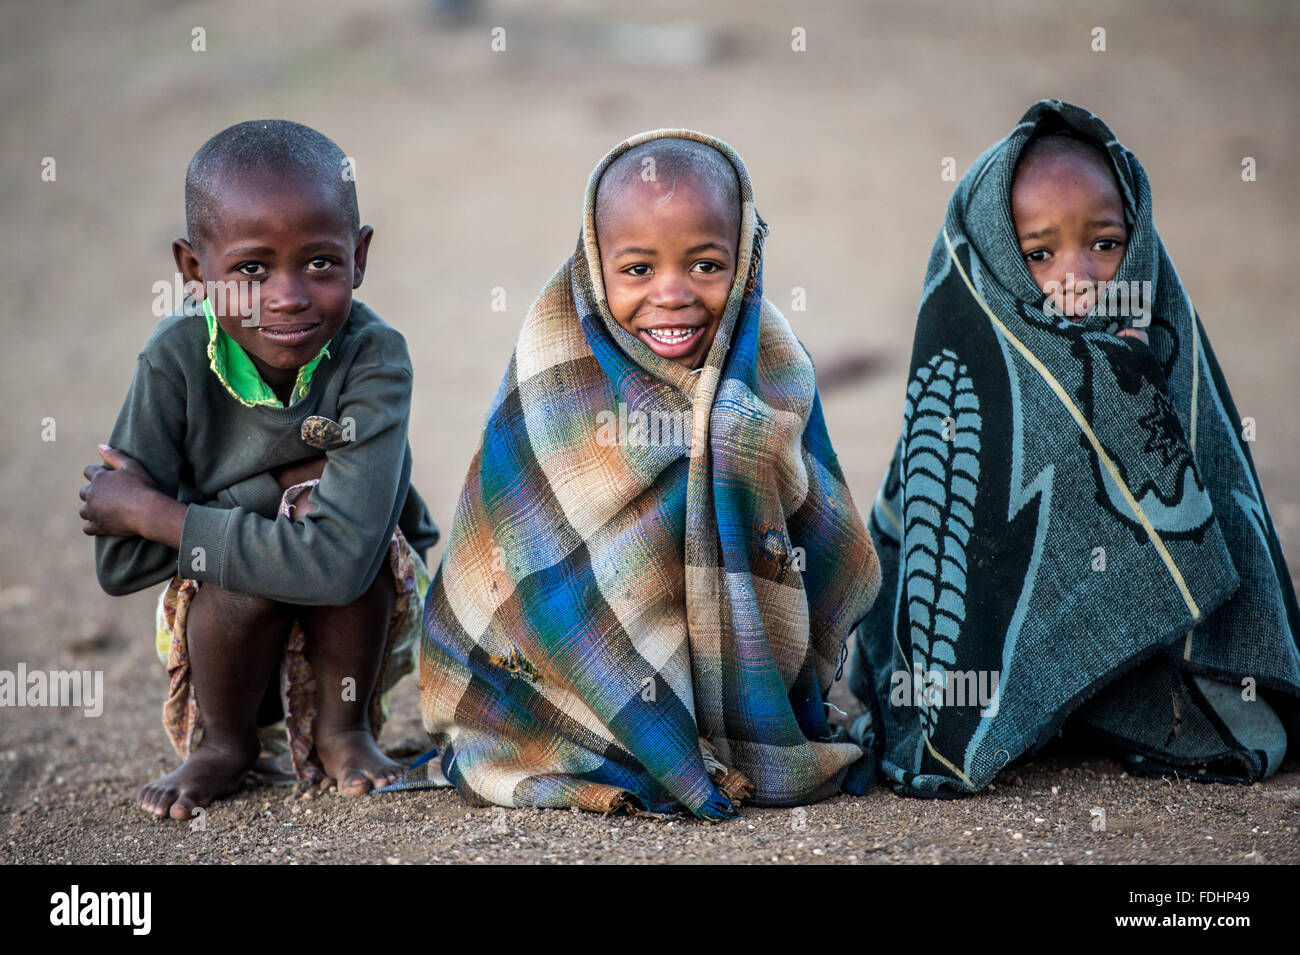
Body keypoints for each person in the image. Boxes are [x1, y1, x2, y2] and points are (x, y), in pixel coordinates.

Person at [404, 130, 880, 819]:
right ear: (595, 265)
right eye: (636, 271)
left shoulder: (773, 363)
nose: (672, 295)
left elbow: (811, 527)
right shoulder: (557, 357)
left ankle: (736, 722)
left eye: (707, 265)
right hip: (562, 675)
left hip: (735, 656)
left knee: (735, 432)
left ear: (744, 255)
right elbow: (522, 549)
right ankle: (633, 739)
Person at [847, 100, 1299, 796]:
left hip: (1145, 676)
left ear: (1140, 240)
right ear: (995, 253)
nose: (1078, 276)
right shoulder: (969, 369)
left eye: (1106, 244)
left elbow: (1212, 501)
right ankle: (1021, 708)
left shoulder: (1158, 343)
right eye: (1039, 252)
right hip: (985, 666)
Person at [79, 120, 437, 819]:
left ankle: (346, 731)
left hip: (359, 607)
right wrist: (273, 483)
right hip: (227, 623)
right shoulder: (174, 359)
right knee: (263, 542)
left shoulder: (375, 359)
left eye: (321, 263)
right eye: (250, 270)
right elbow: (118, 563)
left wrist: (160, 511)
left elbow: (339, 565)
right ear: (192, 271)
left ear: (360, 258)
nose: (288, 295)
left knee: (334, 538)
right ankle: (225, 743)